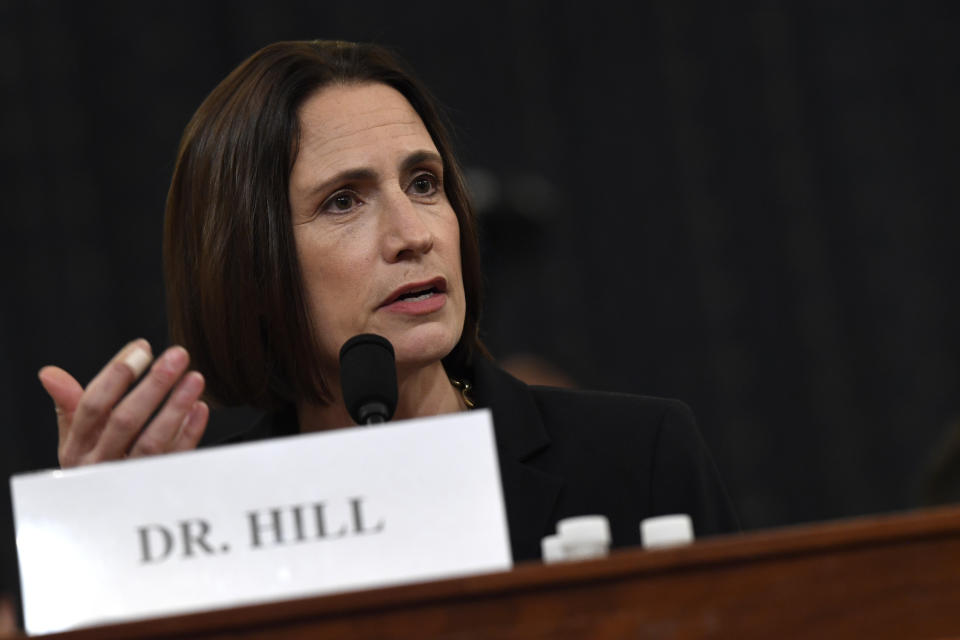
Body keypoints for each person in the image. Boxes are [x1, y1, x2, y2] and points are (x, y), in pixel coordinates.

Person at [37, 40, 737, 562]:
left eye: (425, 184)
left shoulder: (635, 460)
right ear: (252, 262)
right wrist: (110, 544)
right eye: (344, 201)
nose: (412, 235)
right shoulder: (212, 530)